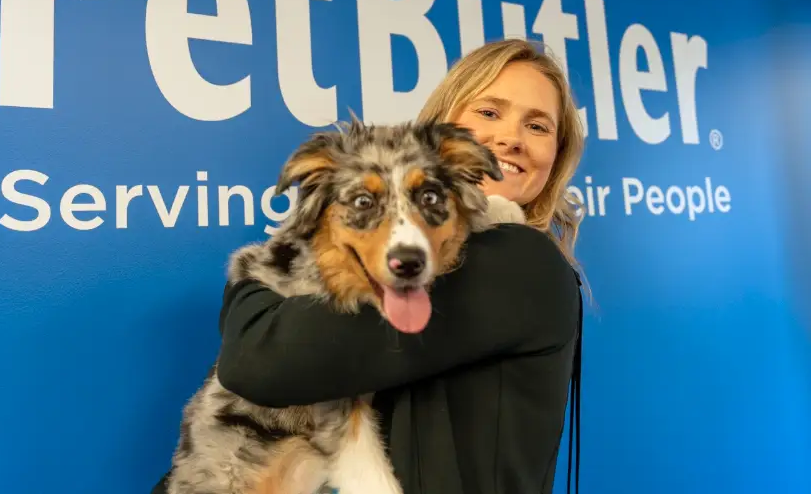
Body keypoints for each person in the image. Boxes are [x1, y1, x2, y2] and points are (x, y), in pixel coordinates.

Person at [152, 39, 588, 494]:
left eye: (537, 125)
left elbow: (258, 359)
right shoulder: (443, 248)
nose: (510, 138)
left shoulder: (518, 261)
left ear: (557, 153)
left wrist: (246, 289)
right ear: (447, 125)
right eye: (489, 112)